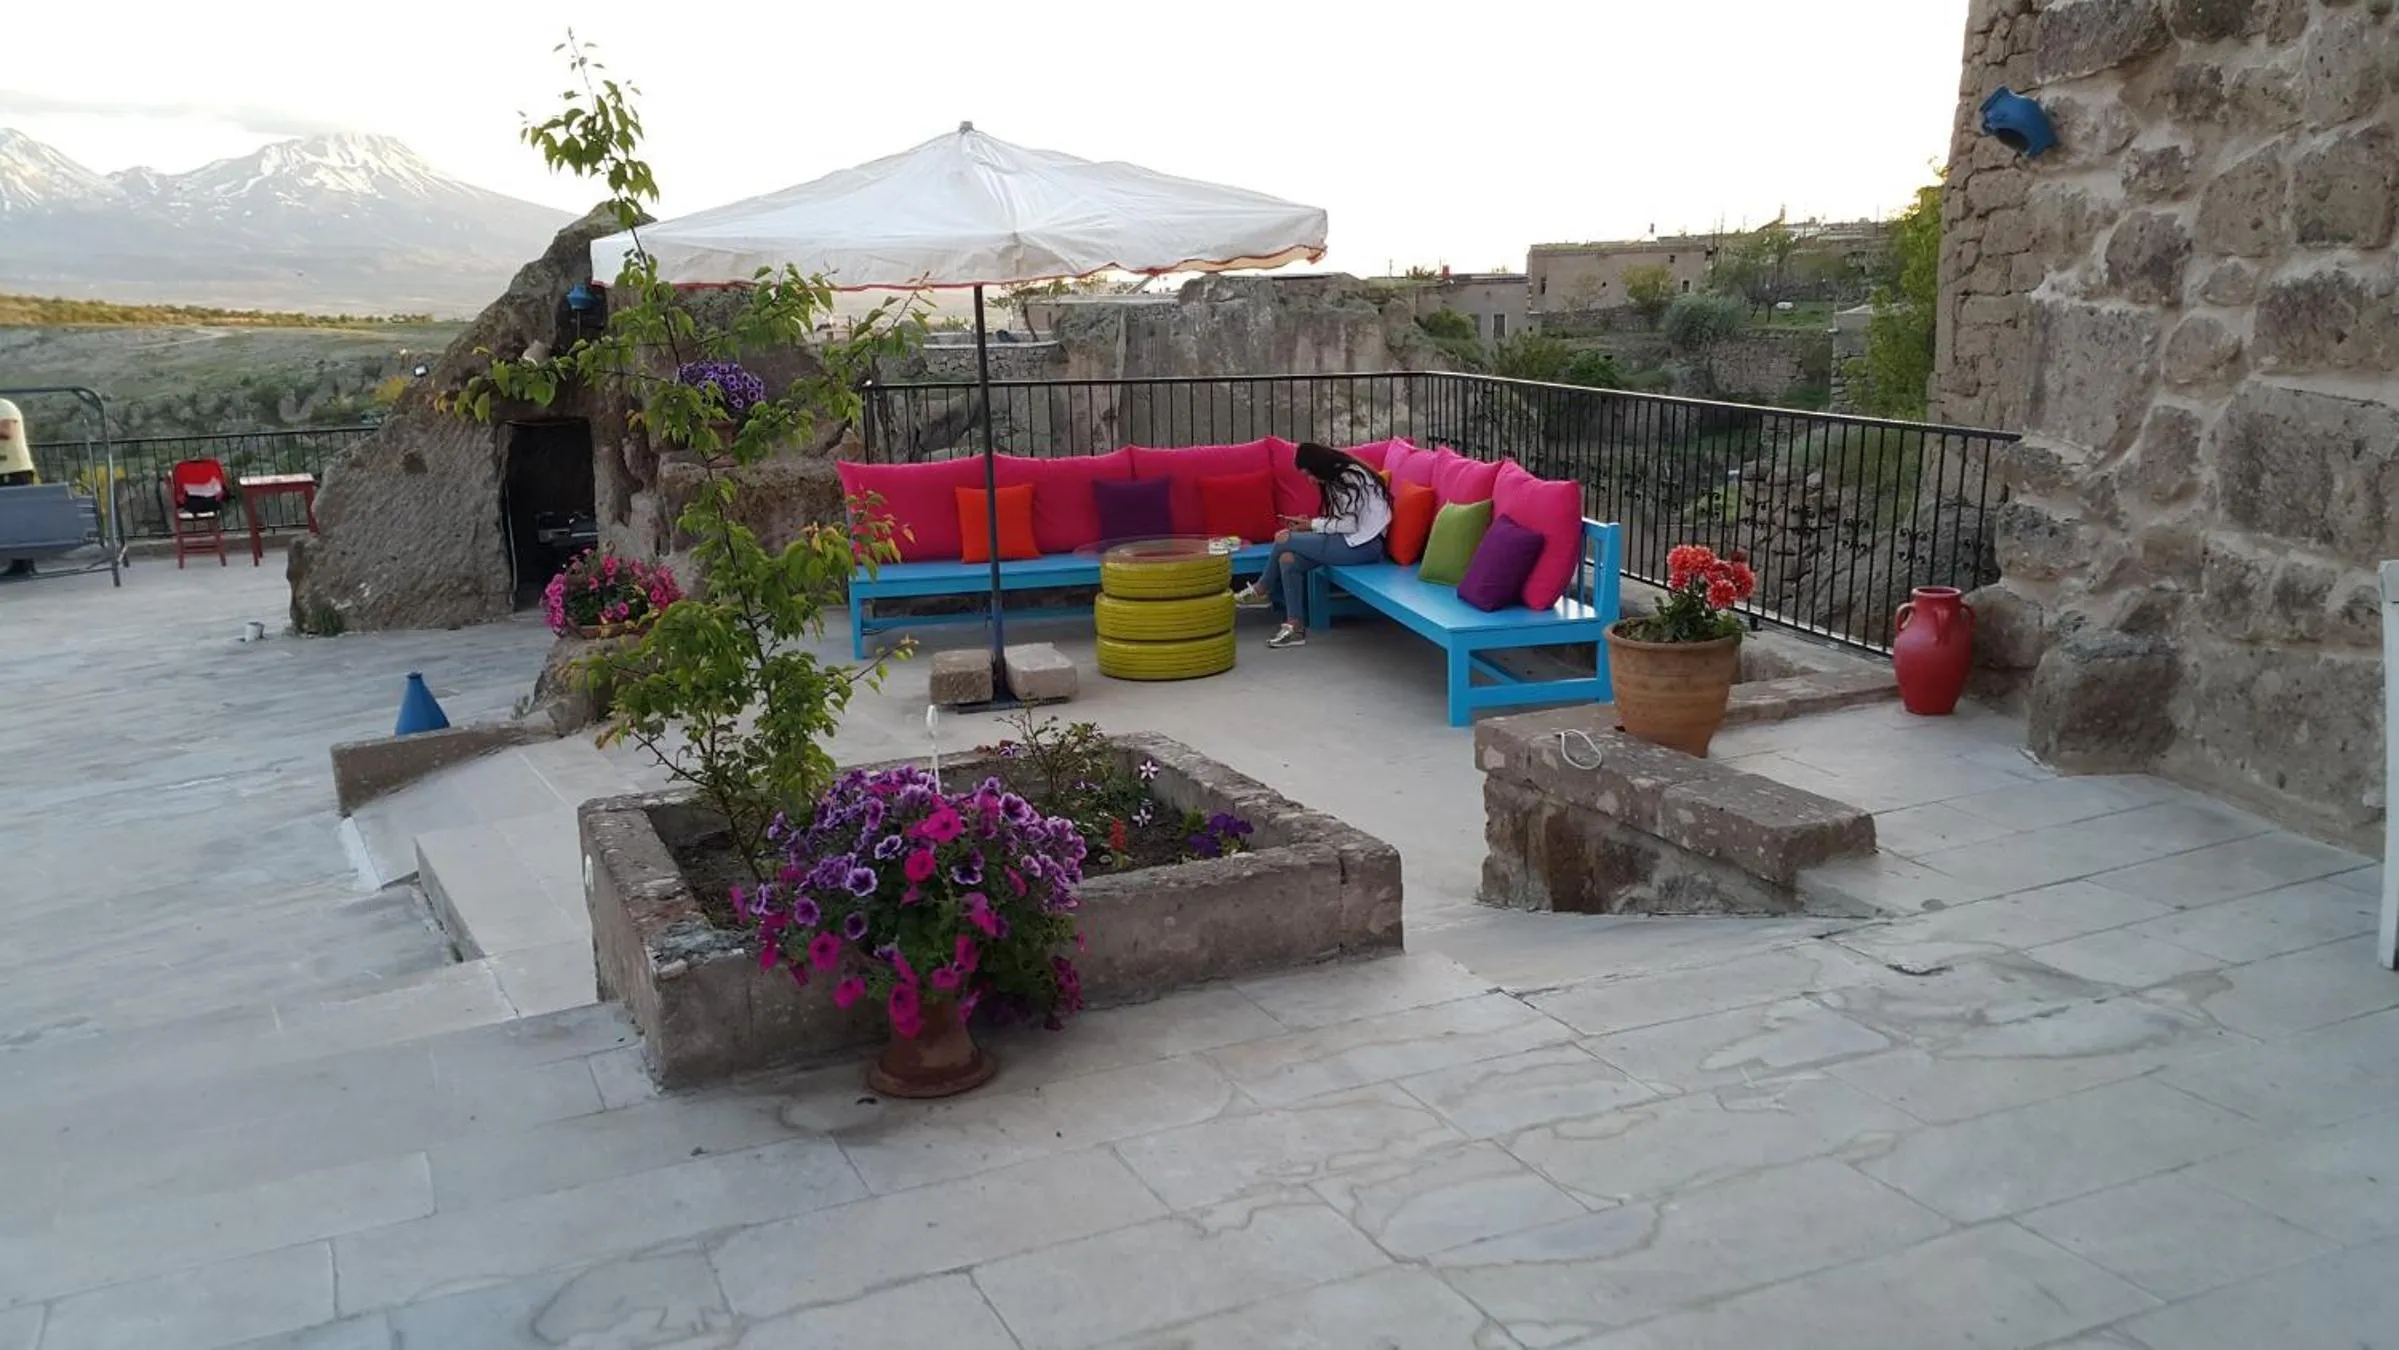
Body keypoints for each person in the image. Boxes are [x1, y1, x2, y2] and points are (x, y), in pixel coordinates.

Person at [1234, 441, 1391, 648]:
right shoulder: (1336, 477)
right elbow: (1342, 521)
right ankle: (1295, 628)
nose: (1310, 480)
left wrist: (1312, 525)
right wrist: (1310, 524)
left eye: (1309, 474)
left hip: (1365, 546)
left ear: (1319, 465)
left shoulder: (1349, 477)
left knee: (1284, 538)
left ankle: (1262, 589)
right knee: (1288, 559)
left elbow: (1350, 524)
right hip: (1350, 541)